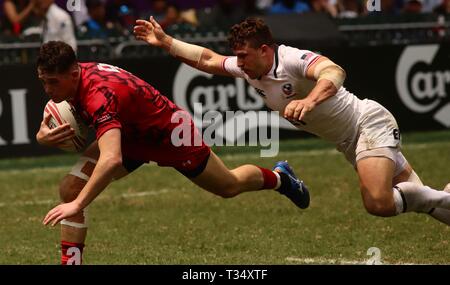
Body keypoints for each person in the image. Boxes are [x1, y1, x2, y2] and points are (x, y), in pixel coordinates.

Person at [134, 16, 450, 226]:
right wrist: (166, 42)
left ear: (265, 49)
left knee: (379, 203)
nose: (239, 63)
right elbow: (207, 59)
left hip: (368, 124)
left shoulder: (291, 59)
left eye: (244, 55)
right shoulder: (250, 69)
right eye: (237, 56)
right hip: (349, 141)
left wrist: (309, 100)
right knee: (433, 205)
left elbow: (335, 72)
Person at [36, 41, 310, 264]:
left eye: (52, 83)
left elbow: (111, 159)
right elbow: (60, 115)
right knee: (71, 188)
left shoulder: (99, 94)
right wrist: (42, 136)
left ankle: (281, 178)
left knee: (228, 185)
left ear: (73, 74)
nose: (48, 90)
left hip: (170, 134)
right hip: (131, 135)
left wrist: (78, 205)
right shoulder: (72, 76)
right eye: (43, 82)